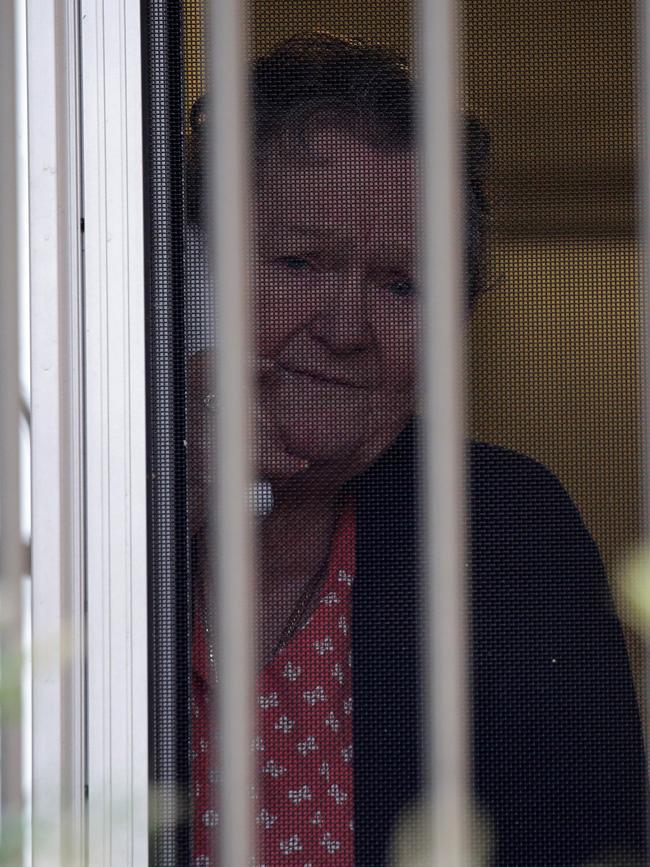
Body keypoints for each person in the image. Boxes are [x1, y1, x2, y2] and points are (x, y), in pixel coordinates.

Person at [186, 33, 648, 867]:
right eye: (297, 262)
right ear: (187, 276)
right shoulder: (82, 500)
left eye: (402, 284)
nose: (343, 330)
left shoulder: (508, 534)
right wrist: (165, 493)